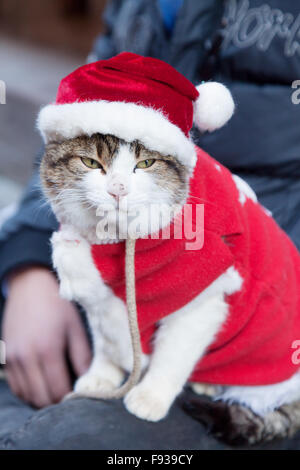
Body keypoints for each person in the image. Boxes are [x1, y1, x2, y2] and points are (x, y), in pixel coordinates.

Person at [0, 0, 299, 449]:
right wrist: (28, 266)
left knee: (66, 440)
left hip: (251, 338)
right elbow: (71, 138)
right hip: (115, 259)